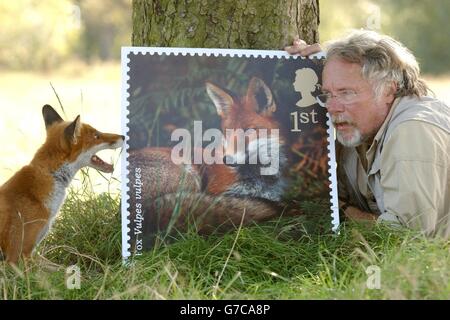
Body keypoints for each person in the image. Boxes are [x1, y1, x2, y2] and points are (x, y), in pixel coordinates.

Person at [286, 30, 450, 238]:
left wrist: (341, 211)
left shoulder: (412, 131)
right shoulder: (359, 129)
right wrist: (316, 62)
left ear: (389, 90)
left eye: (347, 93)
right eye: (328, 94)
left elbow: (408, 238)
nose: (332, 107)